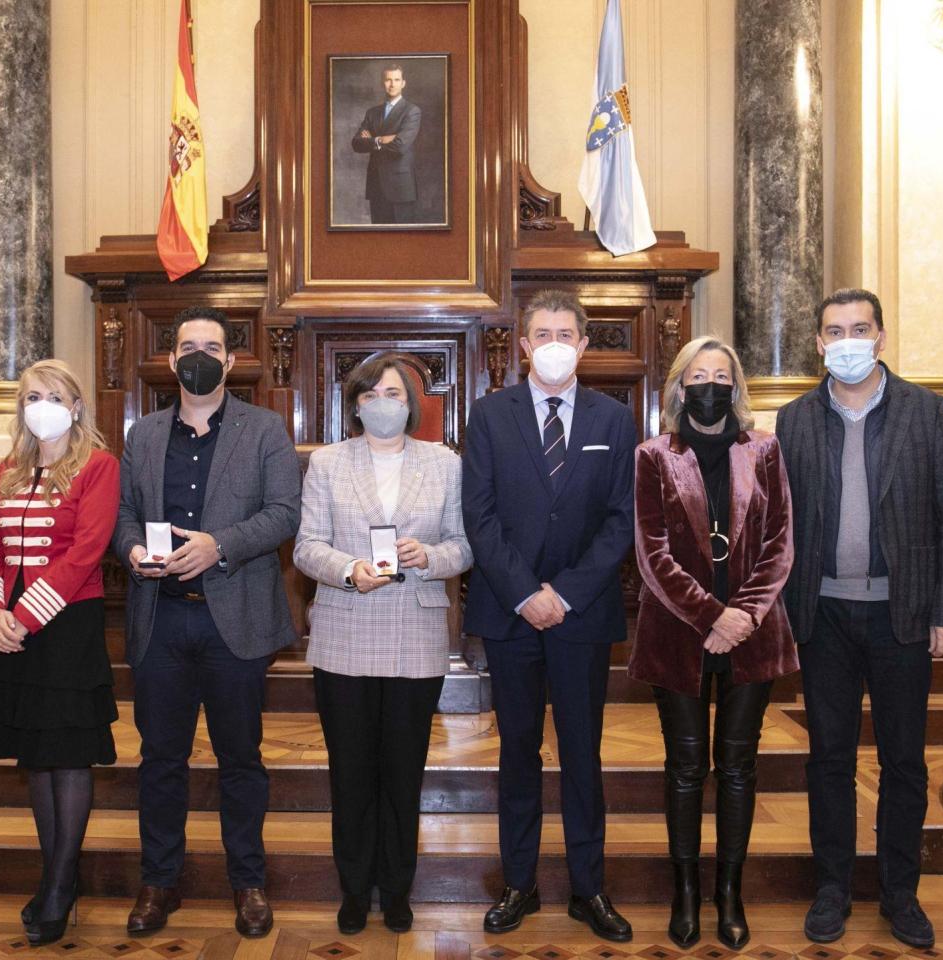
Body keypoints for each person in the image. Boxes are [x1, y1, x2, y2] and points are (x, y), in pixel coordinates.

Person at [775, 289, 943, 950]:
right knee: (827, 759)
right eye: (835, 330)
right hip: (822, 616)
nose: (848, 340)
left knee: (904, 763)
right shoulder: (794, 419)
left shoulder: (926, 411)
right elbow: (780, 526)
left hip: (903, 614)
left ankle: (900, 892)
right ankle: (832, 888)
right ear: (819, 343)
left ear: (881, 336)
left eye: (860, 328)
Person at [115, 306, 302, 939]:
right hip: (159, 621)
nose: (199, 355)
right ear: (172, 361)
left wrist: (217, 545)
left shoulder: (265, 429)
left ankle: (248, 880)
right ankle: (157, 880)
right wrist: (134, 551)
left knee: (240, 759)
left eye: (212, 346)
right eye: (187, 345)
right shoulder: (142, 435)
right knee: (160, 759)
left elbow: (283, 514)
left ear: (229, 360)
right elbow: (122, 516)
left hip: (235, 621)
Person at [462, 288, 638, 942]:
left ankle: (589, 889)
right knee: (518, 752)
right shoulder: (488, 415)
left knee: (583, 755)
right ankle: (520, 883)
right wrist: (524, 592)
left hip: (582, 615)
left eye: (569, 332)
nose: (557, 342)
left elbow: (622, 520)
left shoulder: (614, 420)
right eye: (545, 332)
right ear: (526, 344)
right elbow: (477, 515)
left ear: (584, 346)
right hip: (510, 615)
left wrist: (563, 594)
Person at [292, 353, 474, 935]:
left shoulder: (444, 463)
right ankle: (354, 888)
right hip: (346, 629)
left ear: (412, 403)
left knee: (402, 770)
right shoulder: (326, 462)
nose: (382, 404)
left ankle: (396, 889)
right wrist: (348, 569)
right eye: (369, 395)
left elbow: (464, 546)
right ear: (355, 405)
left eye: (393, 393)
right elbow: (305, 547)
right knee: (351, 770)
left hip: (416, 634)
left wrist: (433, 556)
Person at [629, 336, 796, 949]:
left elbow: (780, 542)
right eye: (698, 374)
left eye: (721, 374)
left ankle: (729, 892)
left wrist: (743, 615)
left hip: (754, 634)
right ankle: (686, 893)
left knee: (739, 766)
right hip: (678, 632)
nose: (710, 384)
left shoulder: (766, 450)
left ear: (736, 384)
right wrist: (711, 617)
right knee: (684, 767)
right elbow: (652, 554)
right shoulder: (653, 455)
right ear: (679, 386)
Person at [0, 360, 119, 945]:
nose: (42, 404)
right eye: (32, 395)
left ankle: (61, 884)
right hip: (11, 628)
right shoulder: (10, 468)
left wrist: (25, 615)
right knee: (34, 754)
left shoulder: (99, 466)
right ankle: (52, 873)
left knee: (68, 754)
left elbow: (86, 552)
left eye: (54, 395)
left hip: (66, 626)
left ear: (76, 406)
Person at [351, 62, 422, 223]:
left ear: (403, 83)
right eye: (388, 80)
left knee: (402, 242)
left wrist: (371, 140)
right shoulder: (372, 112)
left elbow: (400, 146)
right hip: (376, 185)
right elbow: (356, 143)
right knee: (378, 241)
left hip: (400, 187)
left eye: (396, 80)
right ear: (382, 83)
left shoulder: (412, 111)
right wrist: (381, 139)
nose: (392, 84)